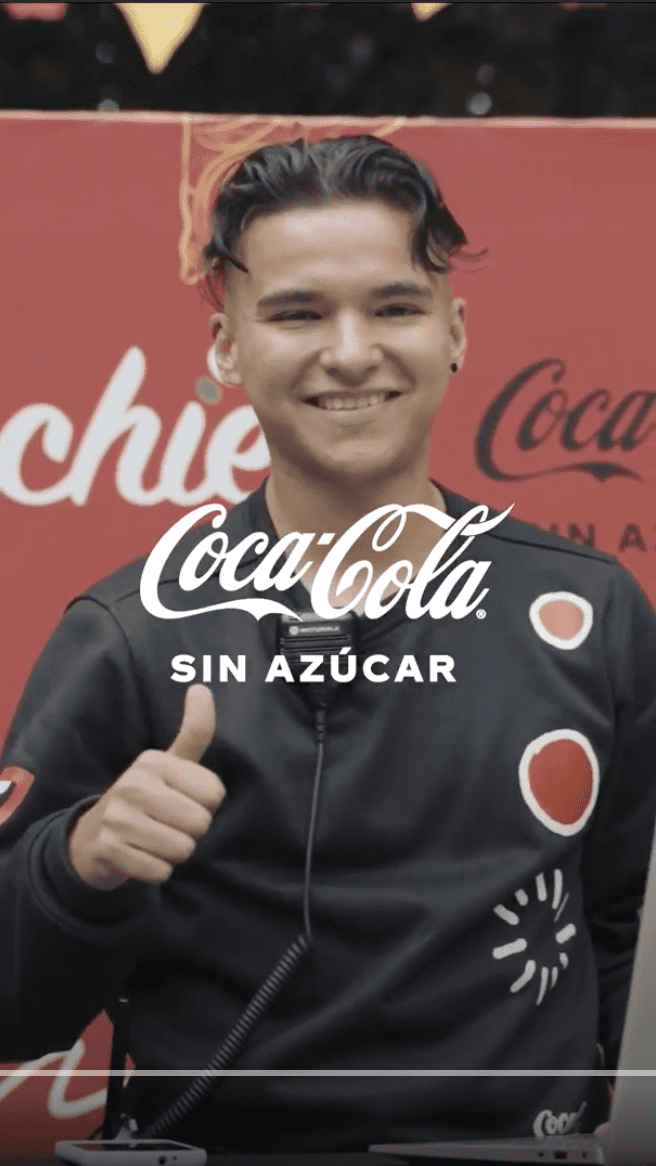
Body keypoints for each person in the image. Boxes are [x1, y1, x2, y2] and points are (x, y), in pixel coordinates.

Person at [1, 135, 655, 1153]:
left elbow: (626, 937)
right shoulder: (130, 630)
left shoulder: (591, 610)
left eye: (394, 307)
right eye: (298, 313)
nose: (350, 352)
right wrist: (79, 861)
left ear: (454, 331)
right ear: (226, 346)